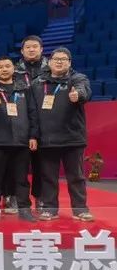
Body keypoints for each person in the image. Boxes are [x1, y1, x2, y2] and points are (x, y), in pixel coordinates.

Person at [32, 48, 94, 221]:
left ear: (69, 62)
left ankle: (80, 210)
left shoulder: (77, 79)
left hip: (72, 139)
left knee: (76, 177)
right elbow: (32, 112)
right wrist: (34, 135)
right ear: (49, 62)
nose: (59, 62)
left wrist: (78, 95)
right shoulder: (38, 83)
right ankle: (50, 209)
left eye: (63, 59)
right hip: (47, 139)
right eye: (56, 59)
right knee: (48, 177)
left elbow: (84, 91)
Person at [0, 57, 38, 222]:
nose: (4, 69)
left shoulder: (24, 88)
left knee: (22, 179)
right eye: (0, 67)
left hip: (21, 141)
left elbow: (32, 113)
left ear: (13, 68)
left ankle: (24, 209)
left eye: (7, 66)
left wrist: (33, 135)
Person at [15, 35, 48, 209]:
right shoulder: (14, 71)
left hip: (45, 123)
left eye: (35, 46)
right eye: (28, 47)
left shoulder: (51, 69)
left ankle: (40, 196)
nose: (31, 49)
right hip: (20, 124)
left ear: (41, 49)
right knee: (19, 165)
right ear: (22, 51)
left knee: (41, 165)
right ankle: (18, 198)